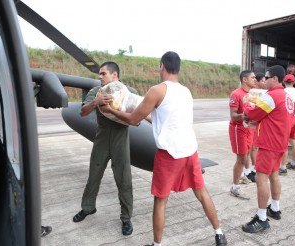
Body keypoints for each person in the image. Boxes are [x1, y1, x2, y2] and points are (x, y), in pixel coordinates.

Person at [100, 51, 227, 246]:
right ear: (178, 68)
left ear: (162, 66)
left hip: (169, 154)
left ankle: (157, 244)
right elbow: (164, 118)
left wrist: (110, 110)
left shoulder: (157, 90)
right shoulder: (186, 91)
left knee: (160, 201)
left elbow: (134, 120)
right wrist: (148, 118)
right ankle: (219, 233)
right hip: (190, 151)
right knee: (201, 192)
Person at [73, 61, 137, 236]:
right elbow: (83, 112)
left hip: (120, 139)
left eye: (103, 74)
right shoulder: (96, 92)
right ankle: (88, 208)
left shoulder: (129, 92)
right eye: (99, 74)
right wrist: (96, 102)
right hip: (101, 139)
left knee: (124, 179)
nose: (99, 77)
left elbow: (137, 115)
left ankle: (126, 218)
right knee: (93, 175)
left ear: (114, 75)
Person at [242, 65, 295, 233]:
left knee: (261, 178)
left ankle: (262, 217)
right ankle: (275, 208)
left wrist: (246, 104)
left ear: (276, 79)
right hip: (280, 143)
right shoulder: (287, 97)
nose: (263, 80)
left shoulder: (272, 96)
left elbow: (253, 114)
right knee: (274, 175)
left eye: (267, 77)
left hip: (269, 143)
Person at [228, 70, 256, 198]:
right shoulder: (236, 94)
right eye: (253, 78)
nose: (255, 80)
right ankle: (234, 187)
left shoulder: (252, 94)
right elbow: (233, 116)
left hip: (249, 129)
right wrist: (244, 115)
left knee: (247, 155)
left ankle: (243, 176)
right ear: (245, 79)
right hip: (238, 129)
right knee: (242, 159)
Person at [279, 74, 295, 175]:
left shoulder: (283, 91)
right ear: (294, 82)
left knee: (284, 142)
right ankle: (293, 164)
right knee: (293, 141)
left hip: (286, 119)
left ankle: (283, 168)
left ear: (283, 82)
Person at [248, 72, 267, 180]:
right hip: (253, 123)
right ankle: (254, 169)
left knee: (258, 146)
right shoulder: (254, 92)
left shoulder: (266, 93)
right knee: (253, 146)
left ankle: (255, 168)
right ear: (258, 82)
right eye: (263, 81)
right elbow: (251, 106)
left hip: (261, 123)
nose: (264, 82)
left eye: (265, 80)